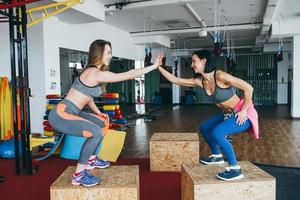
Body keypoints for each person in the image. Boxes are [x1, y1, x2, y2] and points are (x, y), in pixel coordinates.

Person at [49, 39, 163, 186]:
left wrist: (98, 113)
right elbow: (130, 74)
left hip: (73, 112)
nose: (110, 55)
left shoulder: (91, 71)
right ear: (99, 53)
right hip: (61, 114)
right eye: (108, 52)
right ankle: (78, 175)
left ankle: (91, 158)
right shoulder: (95, 73)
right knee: (96, 132)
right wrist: (153, 66)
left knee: (102, 122)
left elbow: (88, 98)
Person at [158, 50, 258, 181]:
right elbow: (175, 80)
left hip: (243, 114)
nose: (192, 64)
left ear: (204, 61)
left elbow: (249, 88)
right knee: (205, 128)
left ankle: (235, 169)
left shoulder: (220, 76)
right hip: (228, 114)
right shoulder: (201, 81)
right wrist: (158, 67)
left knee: (217, 133)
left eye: (194, 61)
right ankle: (217, 155)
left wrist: (244, 110)